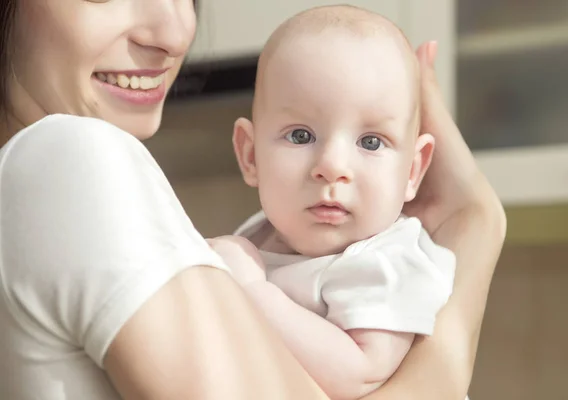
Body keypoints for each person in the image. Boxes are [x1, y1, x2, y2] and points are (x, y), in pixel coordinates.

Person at [0, 0, 506, 399]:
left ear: (414, 166)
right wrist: (475, 231)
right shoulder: (68, 155)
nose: (176, 32)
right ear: (248, 151)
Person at [209, 7, 456, 400]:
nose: (332, 167)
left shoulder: (389, 260)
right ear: (251, 155)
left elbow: (360, 374)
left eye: (371, 142)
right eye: (301, 135)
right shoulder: (260, 233)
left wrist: (254, 292)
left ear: (412, 171)